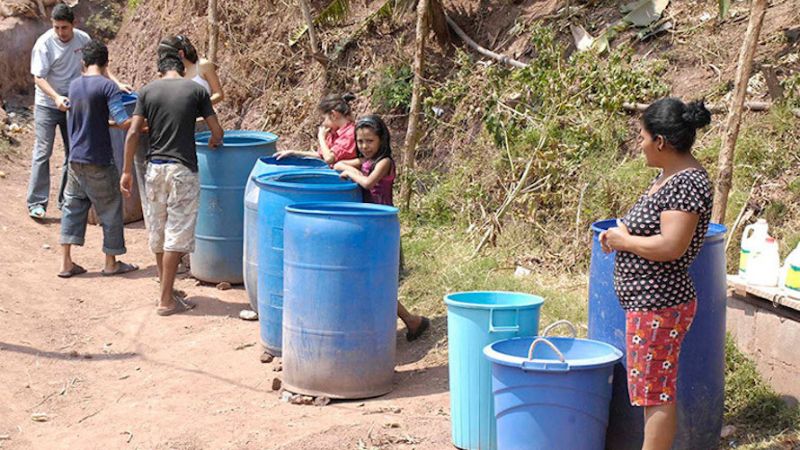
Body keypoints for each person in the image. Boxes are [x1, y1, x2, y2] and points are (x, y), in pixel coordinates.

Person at [598, 98, 713, 450]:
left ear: (661, 142)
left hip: (659, 305)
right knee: (651, 389)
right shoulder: (669, 178)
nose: (640, 144)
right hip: (649, 304)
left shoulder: (686, 184)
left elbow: (671, 246)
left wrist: (625, 241)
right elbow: (654, 234)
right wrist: (620, 237)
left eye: (643, 137)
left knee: (655, 393)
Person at [120, 52, 223, 316]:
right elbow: (217, 130)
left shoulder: (147, 91)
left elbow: (133, 132)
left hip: (154, 169)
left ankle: (167, 290)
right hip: (183, 171)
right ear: (181, 70)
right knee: (177, 234)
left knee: (159, 230)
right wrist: (214, 140)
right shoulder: (195, 90)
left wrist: (126, 171)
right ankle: (166, 300)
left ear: (159, 72)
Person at [27, 3, 131, 219]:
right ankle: (37, 202)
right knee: (42, 152)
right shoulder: (44, 44)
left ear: (74, 24)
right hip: (48, 104)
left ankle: (65, 201)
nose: (60, 32)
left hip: (74, 104)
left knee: (71, 152)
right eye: (56, 27)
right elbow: (38, 77)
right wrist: (55, 97)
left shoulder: (82, 39)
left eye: (64, 27)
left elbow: (97, 61)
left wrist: (116, 82)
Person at [335, 114, 430, 341]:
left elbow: (368, 182)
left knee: (379, 281)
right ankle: (407, 322)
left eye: (370, 141)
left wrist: (350, 171)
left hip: (381, 227)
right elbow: (339, 162)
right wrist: (343, 164)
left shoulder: (384, 162)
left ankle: (411, 321)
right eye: (360, 142)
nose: (364, 146)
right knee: (367, 280)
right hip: (365, 227)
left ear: (381, 140)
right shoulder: (365, 162)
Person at [58, 40, 139, 278]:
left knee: (72, 208)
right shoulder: (107, 87)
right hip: (99, 159)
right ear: (106, 64)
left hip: (75, 159)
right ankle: (111, 262)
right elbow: (123, 120)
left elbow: (88, 119)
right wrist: (141, 125)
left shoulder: (73, 86)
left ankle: (66, 263)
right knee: (111, 208)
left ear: (84, 63)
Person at [275, 93, 357, 166]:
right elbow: (321, 155)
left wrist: (321, 138)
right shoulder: (334, 133)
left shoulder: (350, 134)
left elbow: (329, 159)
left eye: (324, 119)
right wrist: (293, 153)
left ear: (333, 115)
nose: (324, 123)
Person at [157, 35, 224, 104]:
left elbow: (219, 94)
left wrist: (202, 106)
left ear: (181, 54)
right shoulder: (169, 75)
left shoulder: (203, 65)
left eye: (168, 57)